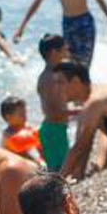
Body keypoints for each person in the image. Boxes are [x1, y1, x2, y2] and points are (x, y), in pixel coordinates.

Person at [35, 35, 72, 171]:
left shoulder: (53, 75)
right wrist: (79, 112)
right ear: (54, 52)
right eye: (64, 49)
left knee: (61, 170)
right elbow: (54, 112)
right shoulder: (50, 79)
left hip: (57, 129)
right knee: (58, 171)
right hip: (53, 131)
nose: (67, 50)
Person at [0, 96, 41, 163]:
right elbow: (23, 155)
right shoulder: (8, 135)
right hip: (11, 164)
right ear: (9, 117)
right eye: (21, 114)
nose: (25, 117)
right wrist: (37, 162)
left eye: (25, 113)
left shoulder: (27, 128)